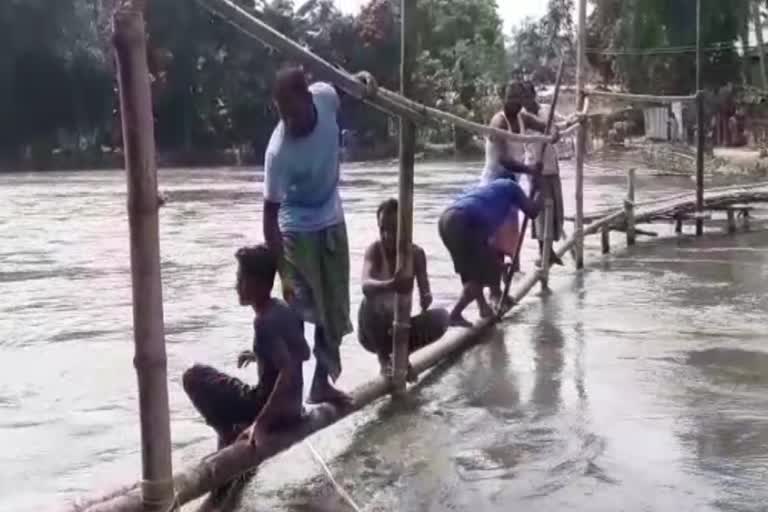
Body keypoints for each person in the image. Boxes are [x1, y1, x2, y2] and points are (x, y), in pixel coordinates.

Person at [262, 66, 358, 405]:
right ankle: (290, 394)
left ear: (308, 98)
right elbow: (269, 218)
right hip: (295, 225)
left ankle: (321, 383)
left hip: (331, 215)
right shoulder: (278, 153)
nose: (289, 120)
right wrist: (283, 273)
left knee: (333, 308)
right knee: (301, 307)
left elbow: (346, 86)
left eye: (293, 111)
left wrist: (360, 80)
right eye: (282, 114)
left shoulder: (326, 97)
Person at [182, 245, 310, 450]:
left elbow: (288, 372)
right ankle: (232, 431)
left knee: (194, 376)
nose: (236, 286)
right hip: (292, 409)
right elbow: (303, 353)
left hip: (265, 409)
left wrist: (261, 424)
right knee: (217, 384)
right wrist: (260, 355)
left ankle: (229, 432)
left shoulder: (263, 322)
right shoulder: (283, 308)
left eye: (241, 279)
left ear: (258, 284)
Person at [358, 198, 449, 377]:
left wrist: (426, 297)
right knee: (369, 301)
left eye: (393, 230)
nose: (387, 235)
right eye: (382, 229)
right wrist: (391, 285)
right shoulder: (375, 250)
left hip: (399, 327)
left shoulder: (416, 254)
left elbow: (425, 291)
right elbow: (365, 285)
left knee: (442, 318)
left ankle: (401, 356)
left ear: (404, 229)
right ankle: (384, 359)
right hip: (373, 333)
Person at [439, 178, 542, 327]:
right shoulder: (511, 187)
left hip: (446, 220)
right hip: (462, 221)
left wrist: (499, 267)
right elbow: (532, 211)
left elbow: (489, 247)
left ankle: (483, 308)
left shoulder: (490, 195)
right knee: (479, 276)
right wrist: (541, 193)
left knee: (473, 276)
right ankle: (455, 314)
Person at [481, 80, 550, 302]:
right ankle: (494, 293)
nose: (514, 102)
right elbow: (504, 159)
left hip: (511, 184)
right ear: (503, 98)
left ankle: (503, 289)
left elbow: (544, 127)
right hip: (494, 185)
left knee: (508, 239)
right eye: (510, 97)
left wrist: (554, 132)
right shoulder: (498, 121)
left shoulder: (523, 117)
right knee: (496, 241)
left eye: (518, 98)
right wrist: (529, 169)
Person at [521, 82, 582, 267]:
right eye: (522, 98)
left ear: (533, 95)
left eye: (527, 96)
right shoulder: (522, 117)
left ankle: (549, 249)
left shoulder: (546, 109)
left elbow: (561, 124)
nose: (526, 101)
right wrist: (549, 132)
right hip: (535, 167)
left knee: (555, 207)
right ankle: (543, 251)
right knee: (540, 210)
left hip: (551, 165)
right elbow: (530, 137)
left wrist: (574, 119)